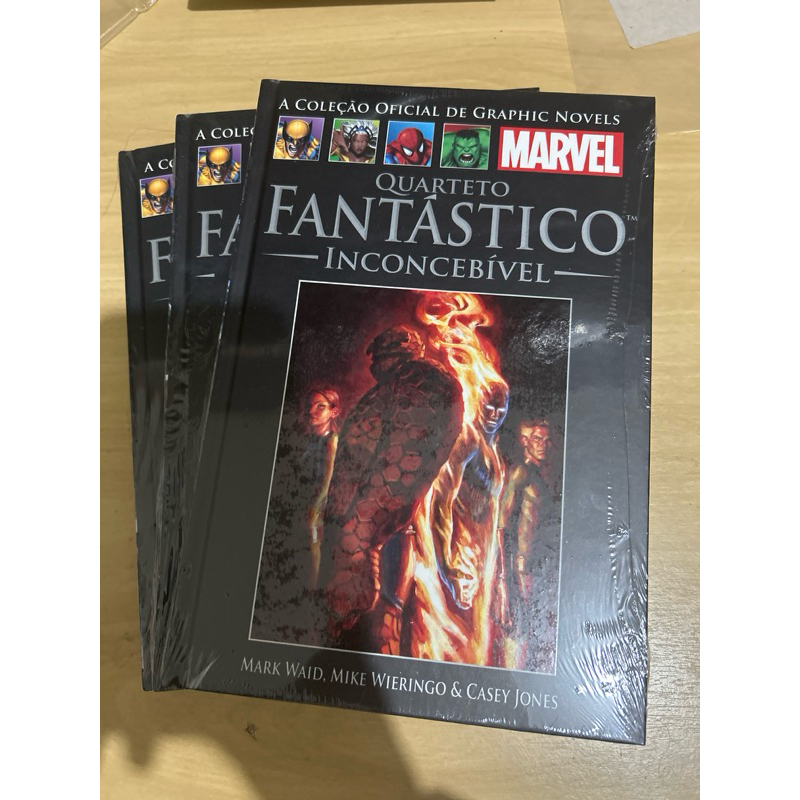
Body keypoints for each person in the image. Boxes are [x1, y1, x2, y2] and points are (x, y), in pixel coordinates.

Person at [498, 418, 558, 670]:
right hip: (521, 572)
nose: (543, 444)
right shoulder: (521, 473)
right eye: (537, 439)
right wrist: (504, 580)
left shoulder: (542, 478)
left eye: (546, 440)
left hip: (540, 569)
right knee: (519, 632)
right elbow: (502, 526)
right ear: (525, 441)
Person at [301, 387, 341, 591]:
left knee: (312, 544)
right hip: (302, 499)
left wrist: (314, 510)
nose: (312, 411)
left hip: (318, 507)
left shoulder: (331, 442)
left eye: (320, 407)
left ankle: (311, 591)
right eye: (310, 406)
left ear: (334, 412)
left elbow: (327, 482)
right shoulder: (308, 441)